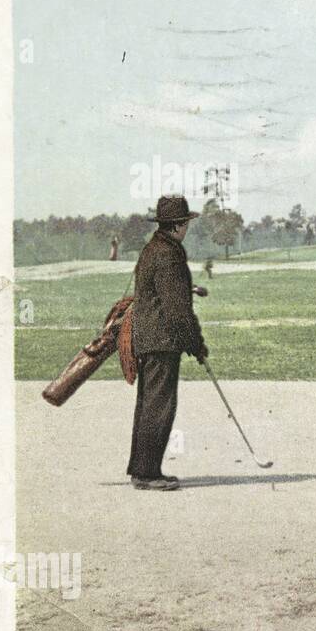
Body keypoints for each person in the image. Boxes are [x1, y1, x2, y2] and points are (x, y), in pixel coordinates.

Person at [127, 195, 207, 491]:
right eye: (186, 223)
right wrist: (196, 343)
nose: (188, 228)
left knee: (149, 405)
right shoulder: (169, 253)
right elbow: (176, 309)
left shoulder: (153, 249)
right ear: (178, 225)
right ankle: (147, 473)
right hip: (162, 341)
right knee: (159, 407)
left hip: (149, 339)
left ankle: (143, 470)